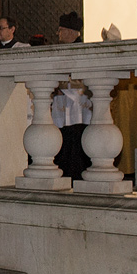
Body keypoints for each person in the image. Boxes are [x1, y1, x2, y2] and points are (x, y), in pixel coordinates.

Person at [53, 11, 92, 180]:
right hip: (62, 101)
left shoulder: (83, 50)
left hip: (78, 103)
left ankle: (76, 173)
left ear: (70, 32)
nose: (58, 34)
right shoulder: (60, 49)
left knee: (77, 137)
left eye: (60, 30)